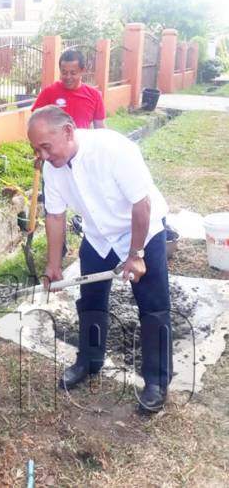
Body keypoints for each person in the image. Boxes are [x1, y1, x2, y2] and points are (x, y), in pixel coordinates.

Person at [27, 105, 172, 412]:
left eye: (45, 147)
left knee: (153, 306)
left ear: (67, 132)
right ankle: (89, 360)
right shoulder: (53, 167)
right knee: (91, 300)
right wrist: (53, 266)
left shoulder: (113, 148)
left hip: (141, 232)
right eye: (35, 149)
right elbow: (55, 215)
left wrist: (136, 255)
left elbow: (141, 204)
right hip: (98, 236)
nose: (41, 155)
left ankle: (157, 381)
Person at [32, 49, 105, 129]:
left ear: (83, 71)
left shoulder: (94, 95)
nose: (68, 77)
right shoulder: (48, 93)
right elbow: (35, 122)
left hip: (81, 141)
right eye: (64, 73)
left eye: (73, 73)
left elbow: (100, 127)